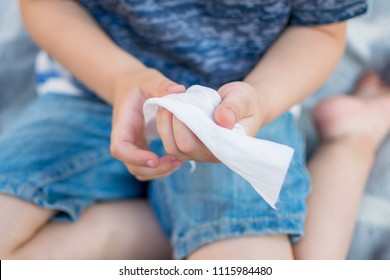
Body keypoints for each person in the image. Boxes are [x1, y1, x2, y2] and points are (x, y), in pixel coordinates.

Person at [0, 0, 366, 259]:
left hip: (244, 103)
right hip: (93, 85)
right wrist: (119, 79)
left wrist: (262, 99)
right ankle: (185, 221)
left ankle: (353, 140)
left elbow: (320, 29)